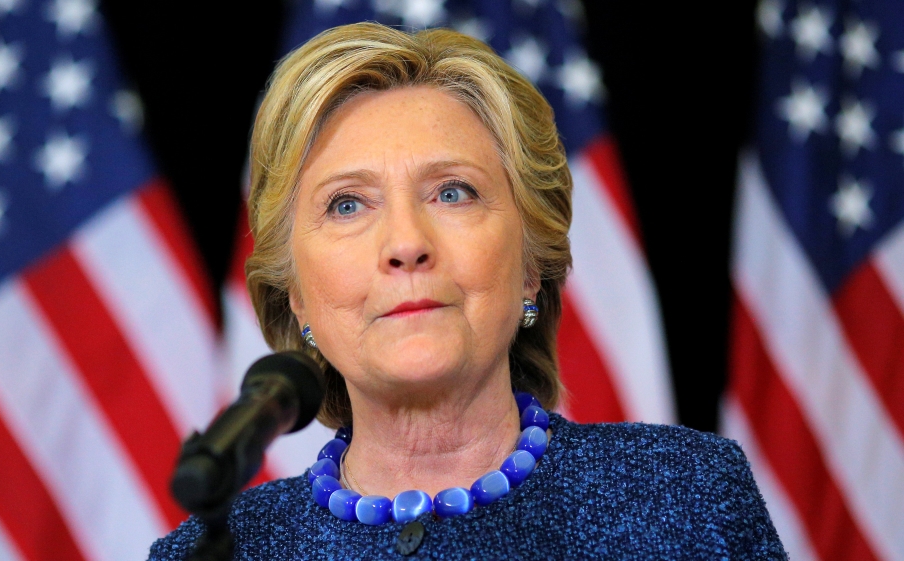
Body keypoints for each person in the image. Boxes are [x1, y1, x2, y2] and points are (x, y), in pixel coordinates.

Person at [149, 22, 785, 560]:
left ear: (532, 263)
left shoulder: (687, 500)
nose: (405, 242)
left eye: (452, 192)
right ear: (296, 295)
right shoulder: (221, 549)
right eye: (347, 205)